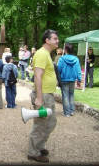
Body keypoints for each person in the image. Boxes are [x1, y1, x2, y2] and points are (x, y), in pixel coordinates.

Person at [27, 29, 59, 163]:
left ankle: (39, 146)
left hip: (47, 95)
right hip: (43, 95)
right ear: (47, 40)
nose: (57, 41)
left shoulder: (46, 54)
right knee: (41, 124)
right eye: (55, 39)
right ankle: (33, 152)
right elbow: (38, 77)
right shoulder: (41, 54)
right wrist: (39, 98)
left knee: (50, 122)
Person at [57, 43, 81, 117]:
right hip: (72, 79)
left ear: (66, 50)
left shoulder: (62, 58)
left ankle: (67, 113)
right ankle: (72, 111)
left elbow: (58, 69)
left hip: (64, 79)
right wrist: (79, 80)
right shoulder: (76, 59)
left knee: (65, 96)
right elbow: (78, 70)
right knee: (71, 95)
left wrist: (58, 79)